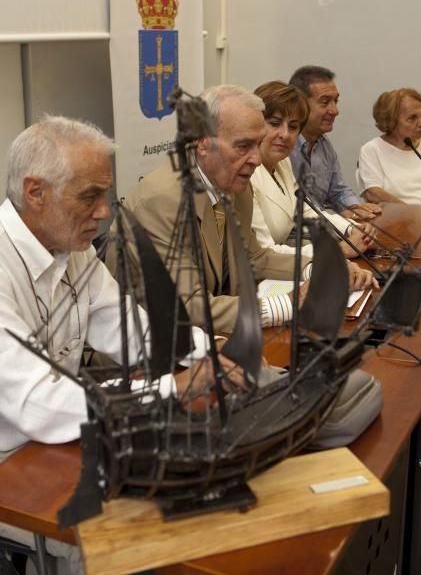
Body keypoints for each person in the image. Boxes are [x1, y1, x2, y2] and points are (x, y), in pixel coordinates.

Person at [0, 115, 246, 574]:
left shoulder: (71, 249)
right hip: (12, 459)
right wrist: (173, 387)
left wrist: (207, 350)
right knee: (115, 537)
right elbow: (37, 402)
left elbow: (133, 328)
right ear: (35, 193)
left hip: (59, 437)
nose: (104, 212)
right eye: (89, 196)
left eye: (105, 195)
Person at [108, 84, 375, 334]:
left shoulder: (234, 185)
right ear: (202, 142)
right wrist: (287, 305)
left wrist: (318, 268)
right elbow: (187, 306)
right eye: (243, 146)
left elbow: (255, 258)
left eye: (257, 145)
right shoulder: (162, 201)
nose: (257, 160)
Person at [251, 81, 377, 261]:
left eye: (293, 127)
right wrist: (337, 250)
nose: (285, 134)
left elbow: (308, 210)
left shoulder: (282, 162)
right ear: (255, 125)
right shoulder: (246, 173)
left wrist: (351, 229)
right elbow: (264, 252)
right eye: (275, 123)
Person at [289, 65, 382, 220]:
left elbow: (337, 191)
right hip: (293, 236)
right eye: (325, 102)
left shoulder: (325, 146)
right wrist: (338, 218)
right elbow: (294, 207)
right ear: (300, 104)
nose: (335, 111)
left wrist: (357, 207)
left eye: (335, 101)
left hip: (321, 227)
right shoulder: (283, 146)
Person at [356, 88, 421, 207]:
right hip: (397, 220)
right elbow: (374, 193)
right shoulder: (372, 150)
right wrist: (413, 214)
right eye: (412, 118)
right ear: (392, 121)